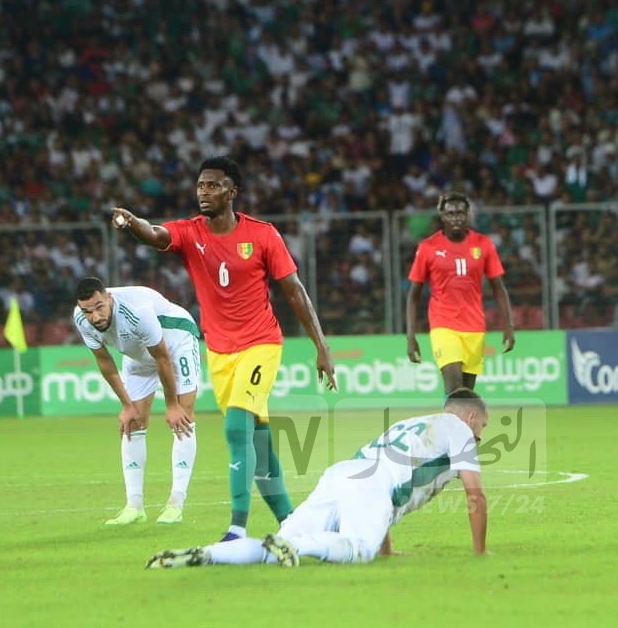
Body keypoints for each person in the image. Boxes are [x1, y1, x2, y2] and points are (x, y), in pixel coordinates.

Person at [112, 155, 338, 542]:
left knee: (236, 428)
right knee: (259, 442)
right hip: (219, 352)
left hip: (261, 344)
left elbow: (295, 291)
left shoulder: (263, 235)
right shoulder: (190, 232)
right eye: (201, 185)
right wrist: (133, 224)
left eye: (213, 185)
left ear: (232, 192)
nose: (204, 191)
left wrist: (322, 346)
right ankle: (291, 522)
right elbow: (156, 235)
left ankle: (237, 528)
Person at [145, 388, 489, 568]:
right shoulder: (459, 430)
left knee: (271, 550)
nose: (481, 435)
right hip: (369, 488)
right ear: (471, 416)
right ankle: (297, 546)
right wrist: (480, 552)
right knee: (358, 550)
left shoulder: (410, 423)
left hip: (342, 475)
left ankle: (210, 554)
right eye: (483, 426)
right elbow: (475, 494)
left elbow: (390, 483)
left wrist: (387, 548)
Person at [73, 277, 200, 525]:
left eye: (99, 307)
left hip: (175, 341)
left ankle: (175, 503)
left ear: (109, 298)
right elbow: (104, 360)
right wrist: (127, 405)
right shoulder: (81, 319)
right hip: (137, 352)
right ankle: (134, 507)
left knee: (182, 419)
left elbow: (162, 357)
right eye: (88, 311)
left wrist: (172, 405)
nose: (95, 317)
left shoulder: (136, 312)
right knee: (132, 423)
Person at [406, 191, 515, 395]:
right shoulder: (428, 247)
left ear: (467, 215)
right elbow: (414, 295)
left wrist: (508, 325)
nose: (455, 218)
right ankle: (450, 416)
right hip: (443, 324)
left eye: (460, 213)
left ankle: (457, 418)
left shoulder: (483, 244)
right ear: (442, 216)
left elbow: (498, 288)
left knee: (465, 393)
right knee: (454, 386)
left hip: (475, 326)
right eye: (450, 213)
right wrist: (410, 336)